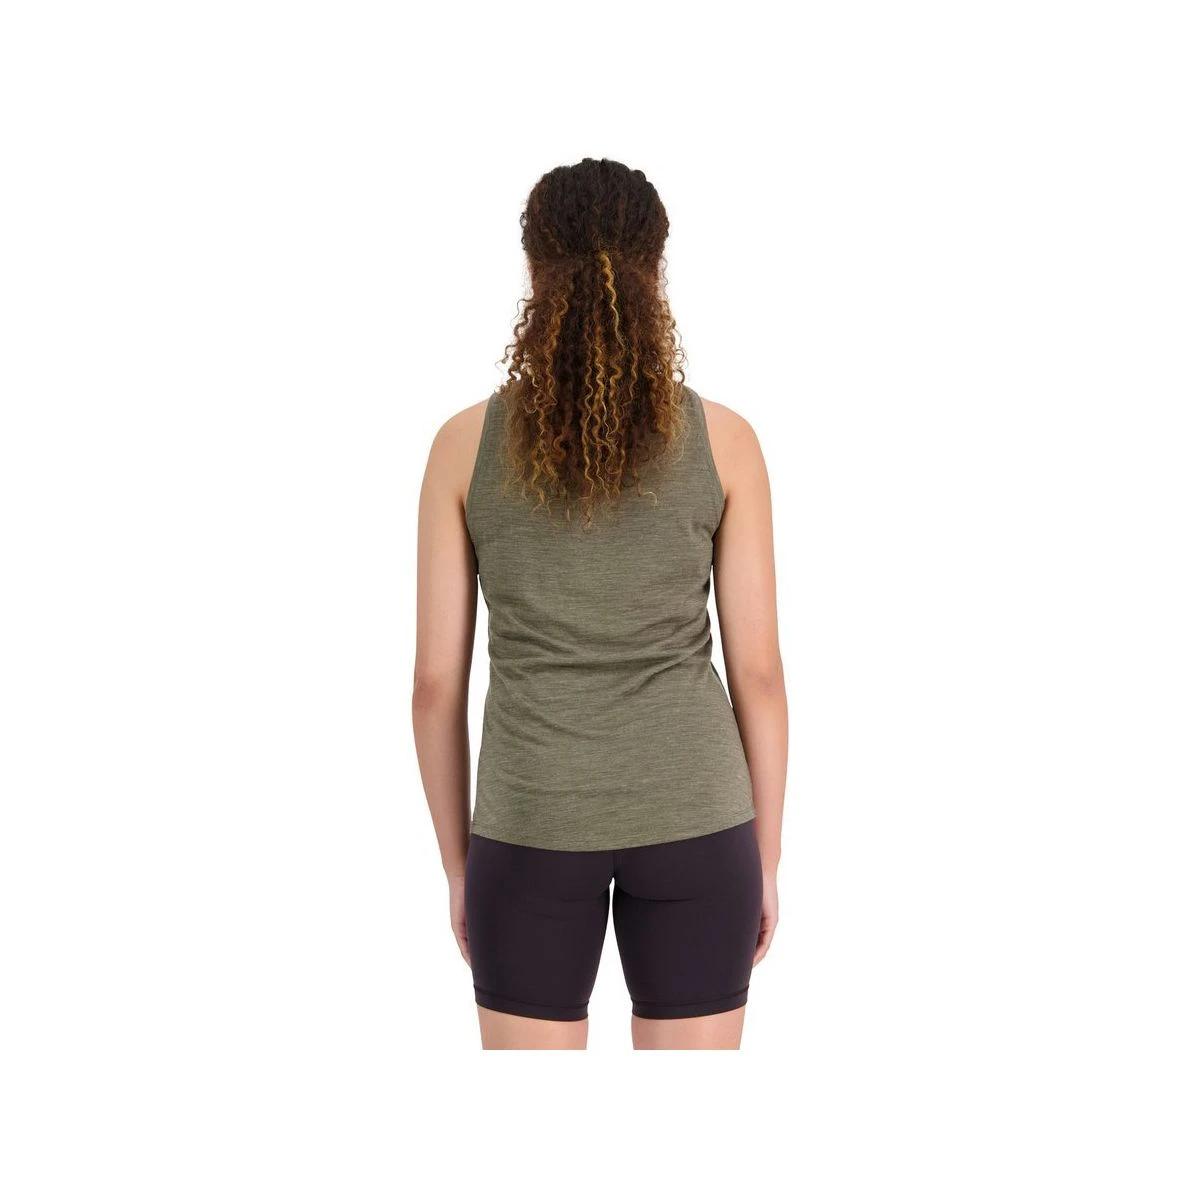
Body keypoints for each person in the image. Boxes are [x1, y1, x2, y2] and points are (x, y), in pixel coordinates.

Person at [412, 158, 788, 1050]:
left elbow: (434, 686)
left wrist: (462, 867)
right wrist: (765, 859)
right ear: (656, 272)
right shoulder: (727, 442)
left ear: (533, 271)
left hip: (531, 821)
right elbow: (761, 676)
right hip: (698, 818)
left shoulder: (462, 447)